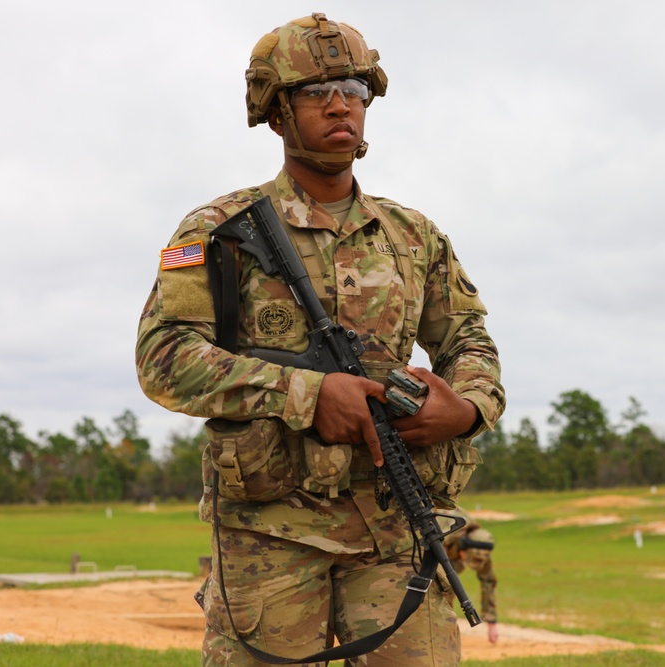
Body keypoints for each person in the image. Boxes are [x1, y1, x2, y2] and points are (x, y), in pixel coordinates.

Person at [135, 12, 505, 667]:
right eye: (315, 92)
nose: (340, 105)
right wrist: (307, 393)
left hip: (396, 526)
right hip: (268, 535)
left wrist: (467, 405)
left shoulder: (414, 236)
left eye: (354, 92)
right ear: (277, 112)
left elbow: (471, 339)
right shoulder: (218, 230)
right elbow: (163, 357)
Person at [442, 512, 500, 644]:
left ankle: (445, 631)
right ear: (462, 550)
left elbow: (488, 582)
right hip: (431, 548)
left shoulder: (479, 546)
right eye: (466, 558)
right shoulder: (447, 532)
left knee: (448, 589)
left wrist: (492, 624)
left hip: (450, 556)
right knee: (443, 589)